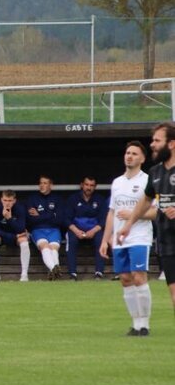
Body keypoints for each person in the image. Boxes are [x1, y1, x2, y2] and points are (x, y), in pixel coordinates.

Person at [118, 123, 175, 333]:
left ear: (171, 144)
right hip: (167, 241)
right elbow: (146, 200)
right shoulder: (156, 172)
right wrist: (128, 224)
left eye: (157, 141)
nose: (152, 144)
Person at [101, 141, 155, 337]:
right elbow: (111, 212)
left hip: (139, 236)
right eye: (127, 153)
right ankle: (135, 323)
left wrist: (133, 215)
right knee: (125, 279)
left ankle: (145, 324)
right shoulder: (117, 182)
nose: (129, 156)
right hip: (119, 239)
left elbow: (155, 212)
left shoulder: (148, 181)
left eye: (134, 153)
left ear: (142, 158)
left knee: (138, 276)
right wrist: (105, 239)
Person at [64, 176, 108, 280]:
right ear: (82, 185)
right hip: (76, 229)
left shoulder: (100, 199)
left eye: (92, 185)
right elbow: (66, 219)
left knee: (101, 239)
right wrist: (76, 231)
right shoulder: (73, 199)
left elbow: (104, 219)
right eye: (87, 185)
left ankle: (99, 273)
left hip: (94, 230)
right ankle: (72, 273)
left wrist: (93, 230)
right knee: (71, 240)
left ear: (95, 187)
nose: (89, 187)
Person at [26, 175, 64, 280]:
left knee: (53, 248)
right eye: (40, 183)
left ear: (51, 185)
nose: (42, 185)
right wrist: (51, 215)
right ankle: (55, 269)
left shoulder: (57, 199)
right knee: (45, 247)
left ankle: (54, 273)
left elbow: (60, 219)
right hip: (38, 230)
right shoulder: (32, 199)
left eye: (45, 183)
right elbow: (31, 220)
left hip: (54, 230)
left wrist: (39, 215)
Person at [0, 189, 31, 282]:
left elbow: (21, 229)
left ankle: (24, 275)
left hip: (17, 235)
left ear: (14, 200)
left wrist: (9, 218)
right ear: (1, 199)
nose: (7, 203)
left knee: (24, 243)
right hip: (3, 235)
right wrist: (13, 237)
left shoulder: (20, 208)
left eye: (10, 200)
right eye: (5, 200)